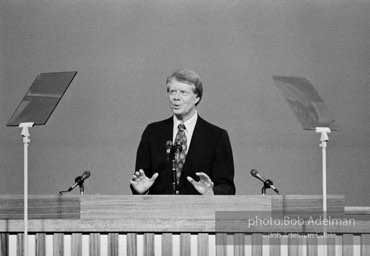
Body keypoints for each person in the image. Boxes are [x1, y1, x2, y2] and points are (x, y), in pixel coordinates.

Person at [130, 69, 235, 195]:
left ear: (196, 97)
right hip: (159, 212)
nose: (176, 98)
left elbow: (227, 187)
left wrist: (211, 192)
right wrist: (140, 190)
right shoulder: (152, 132)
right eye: (172, 92)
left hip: (199, 212)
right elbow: (141, 180)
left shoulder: (216, 136)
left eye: (183, 92)